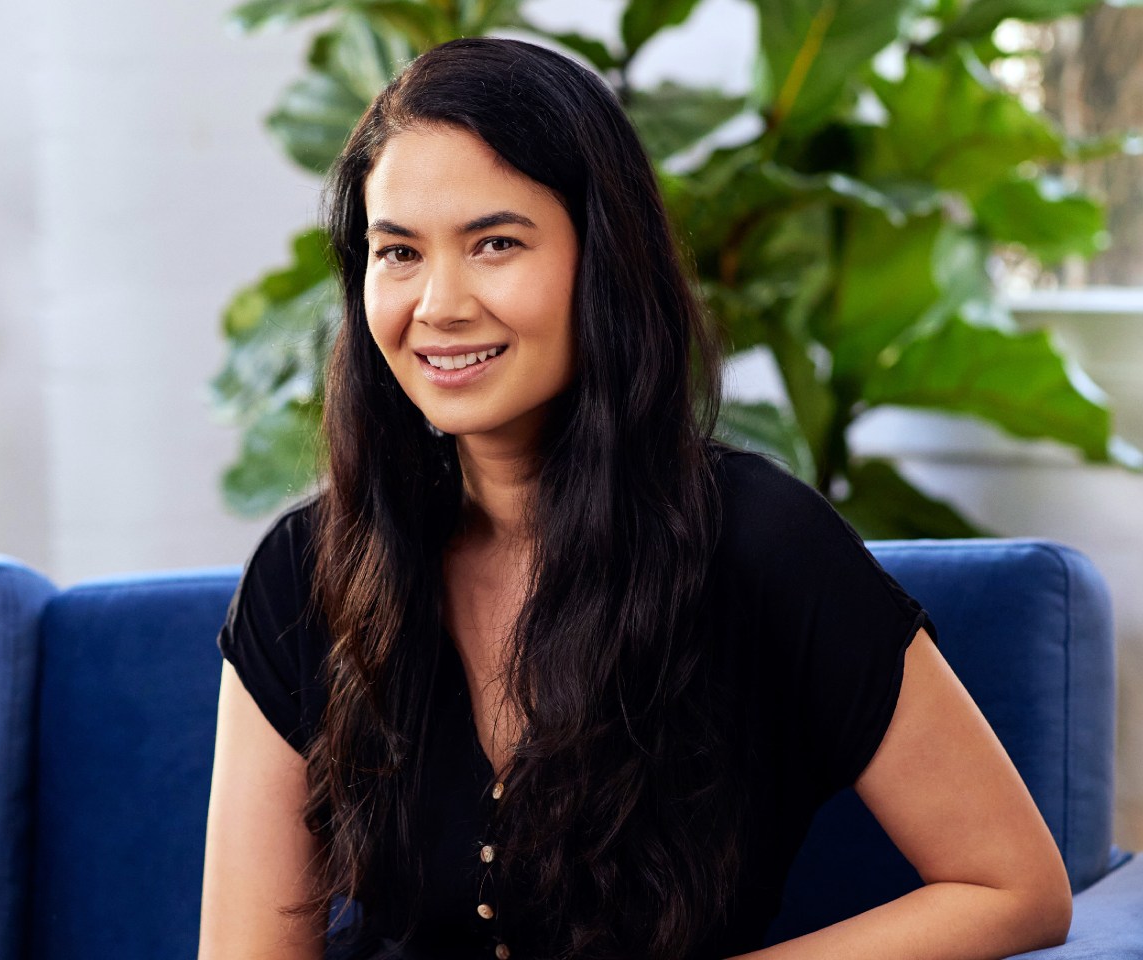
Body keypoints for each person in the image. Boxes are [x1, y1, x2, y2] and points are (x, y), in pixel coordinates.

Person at [199, 36, 1072, 960]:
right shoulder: (310, 569)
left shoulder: (759, 543)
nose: (440, 304)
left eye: (495, 243)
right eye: (399, 253)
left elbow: (1011, 885)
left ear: (601, 259)